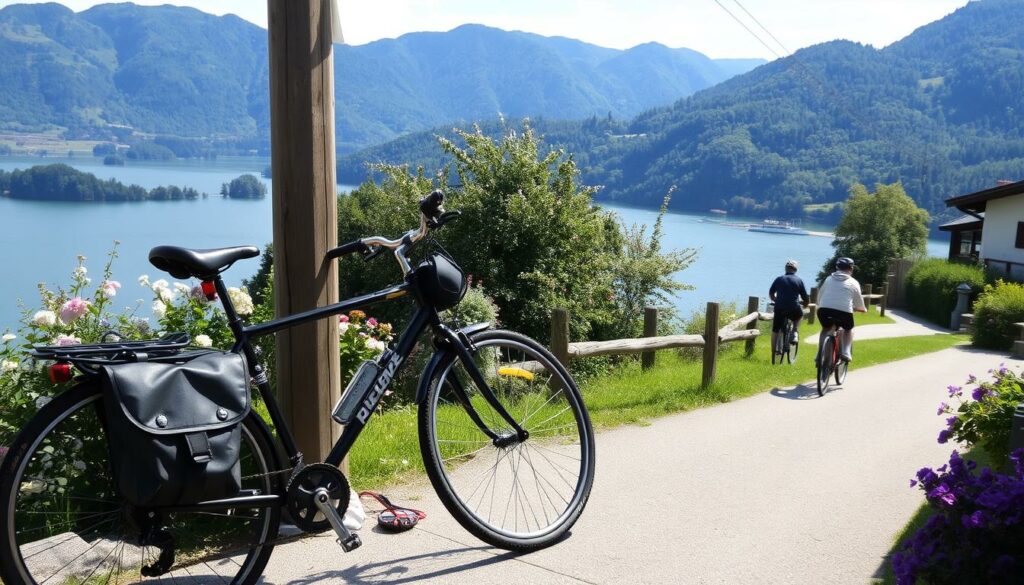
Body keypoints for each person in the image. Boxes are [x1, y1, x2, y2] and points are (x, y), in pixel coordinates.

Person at [816, 256, 867, 363]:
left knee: (826, 329)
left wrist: (820, 304)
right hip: (844, 312)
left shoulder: (828, 279)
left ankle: (819, 354)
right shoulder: (854, 282)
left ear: (837, 267)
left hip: (824, 310)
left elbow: (819, 296)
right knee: (848, 330)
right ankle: (846, 352)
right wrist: (862, 309)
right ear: (851, 268)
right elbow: (859, 302)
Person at [769, 259, 810, 352]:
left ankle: (773, 352)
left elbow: (771, 293)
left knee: (775, 330)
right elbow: (805, 297)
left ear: (785, 269)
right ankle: (795, 331)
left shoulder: (779, 279)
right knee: (799, 316)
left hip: (779, 307)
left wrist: (776, 300)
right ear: (795, 270)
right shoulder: (799, 280)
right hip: (794, 307)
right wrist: (806, 304)